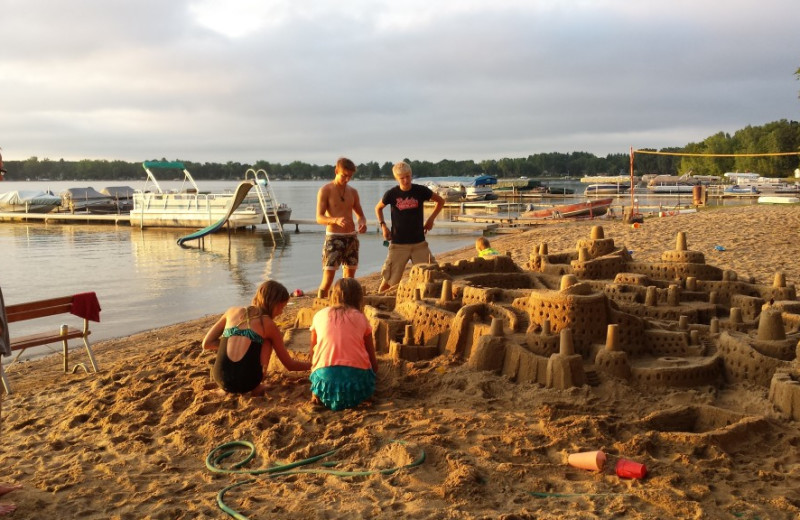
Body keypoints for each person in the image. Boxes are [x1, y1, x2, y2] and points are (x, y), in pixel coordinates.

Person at [202, 280, 311, 396]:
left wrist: (233, 343)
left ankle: (226, 387)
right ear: (274, 304)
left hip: (221, 379)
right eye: (281, 307)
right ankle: (257, 387)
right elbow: (289, 365)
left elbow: (207, 343)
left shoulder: (231, 311)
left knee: (248, 341)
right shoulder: (268, 324)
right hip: (249, 383)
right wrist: (314, 364)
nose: (281, 313)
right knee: (267, 341)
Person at [374, 161, 445, 292]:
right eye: (402, 178)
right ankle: (380, 301)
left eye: (408, 176)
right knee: (389, 281)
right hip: (398, 245)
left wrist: (431, 219)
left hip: (419, 243)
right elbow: (378, 208)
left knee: (431, 276)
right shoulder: (391, 194)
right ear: (396, 178)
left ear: (411, 174)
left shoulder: (420, 190)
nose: (406, 180)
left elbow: (440, 201)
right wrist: (383, 225)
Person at [309, 278, 378, 411]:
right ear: (358, 298)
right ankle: (364, 396)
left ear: (333, 296)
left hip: (325, 382)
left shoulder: (319, 315)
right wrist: (372, 375)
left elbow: (313, 355)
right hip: (356, 385)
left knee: (319, 369)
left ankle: (317, 393)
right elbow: (372, 358)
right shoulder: (361, 317)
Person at [315, 158, 368, 298]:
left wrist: (362, 223)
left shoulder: (353, 192)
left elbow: (360, 215)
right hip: (333, 237)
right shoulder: (325, 190)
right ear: (336, 171)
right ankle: (320, 306)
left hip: (351, 238)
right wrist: (335, 220)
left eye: (350, 176)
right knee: (328, 278)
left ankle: (346, 306)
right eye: (344, 175)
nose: (347, 179)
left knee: (349, 280)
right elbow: (319, 217)